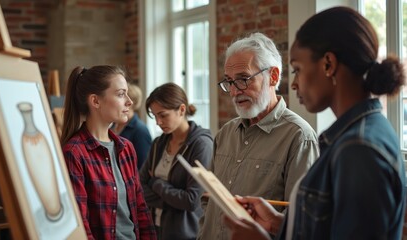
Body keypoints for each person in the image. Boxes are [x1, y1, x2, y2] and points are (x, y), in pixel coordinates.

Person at [224, 6, 406, 240]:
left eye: (298, 69)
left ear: (328, 64)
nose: (294, 84)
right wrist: (280, 225)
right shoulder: (355, 135)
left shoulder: (359, 149)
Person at [198, 32, 319, 240]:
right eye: (229, 82)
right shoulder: (226, 133)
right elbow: (209, 202)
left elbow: (301, 222)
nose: (235, 92)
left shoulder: (299, 137)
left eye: (243, 79)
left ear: (272, 76)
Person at [61, 65, 156, 240]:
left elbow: (141, 209)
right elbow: (80, 224)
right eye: (121, 94)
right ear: (95, 101)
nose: (129, 101)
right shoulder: (74, 153)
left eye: (127, 93)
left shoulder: (126, 148)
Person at [140, 82, 213, 240]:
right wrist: (173, 201)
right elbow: (139, 188)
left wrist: (155, 183)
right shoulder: (159, 143)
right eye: (155, 116)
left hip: (186, 234)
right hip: (156, 230)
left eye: (163, 115)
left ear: (181, 109)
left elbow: (192, 201)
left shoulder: (201, 145)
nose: (158, 122)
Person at [113, 83, 152, 170]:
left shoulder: (140, 130)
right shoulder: (113, 124)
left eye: (120, 97)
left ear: (130, 102)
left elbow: (142, 166)